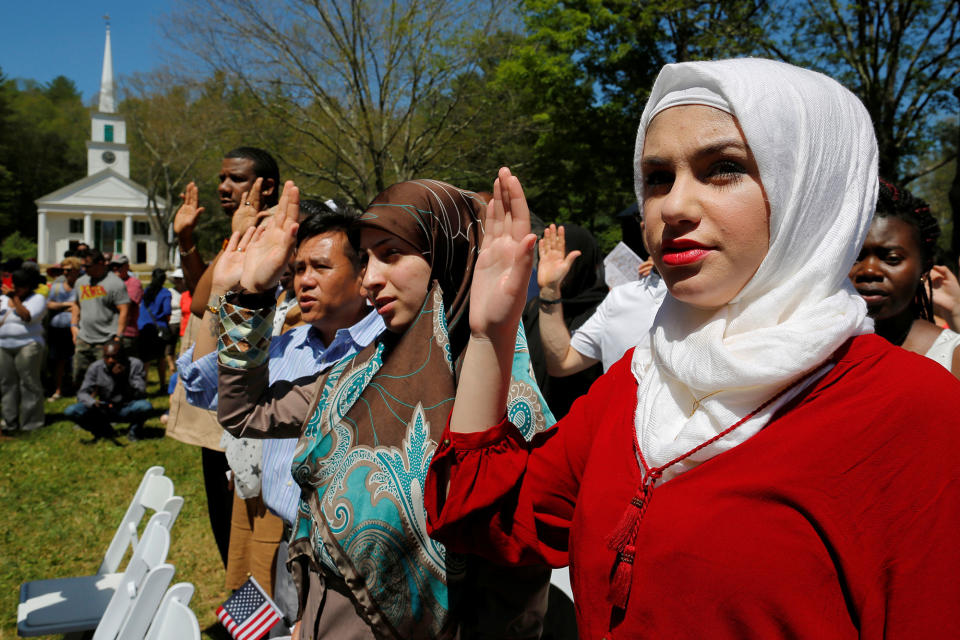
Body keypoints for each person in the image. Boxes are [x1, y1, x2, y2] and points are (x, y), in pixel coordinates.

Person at [424, 60, 960, 638]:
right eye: (657, 177)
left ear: (811, 188)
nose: (672, 207)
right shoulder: (639, 379)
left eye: (723, 169)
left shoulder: (914, 410)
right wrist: (490, 334)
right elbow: (487, 516)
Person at [216, 180, 555, 639]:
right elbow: (244, 412)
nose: (370, 277)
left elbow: (514, 592)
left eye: (391, 254)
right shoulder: (353, 374)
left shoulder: (504, 403)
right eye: (365, 258)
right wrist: (252, 294)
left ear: (445, 255)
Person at [178, 202, 384, 629]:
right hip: (278, 533)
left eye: (321, 267)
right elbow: (202, 388)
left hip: (352, 559)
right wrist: (221, 293)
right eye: (299, 267)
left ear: (364, 273)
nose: (304, 280)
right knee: (271, 625)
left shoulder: (387, 351)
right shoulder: (288, 346)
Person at [169, 146, 279, 569]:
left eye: (235, 178)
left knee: (248, 516)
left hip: (249, 395)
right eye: (221, 178)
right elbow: (205, 298)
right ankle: (243, 607)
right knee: (223, 507)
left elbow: (204, 302)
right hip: (218, 383)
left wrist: (239, 237)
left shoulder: (275, 232)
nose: (222, 187)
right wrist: (186, 241)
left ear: (266, 186)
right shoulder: (243, 229)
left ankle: (268, 622)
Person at [848, 180, 960, 377]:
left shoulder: (954, 357)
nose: (869, 270)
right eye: (855, 257)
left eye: (892, 259)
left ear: (924, 269)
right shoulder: (812, 349)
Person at [537, 222, 668, 376]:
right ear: (643, 226)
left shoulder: (702, 299)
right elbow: (563, 362)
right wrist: (550, 290)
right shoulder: (618, 298)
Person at [523, 223, 607, 417]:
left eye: (565, 255)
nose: (558, 265)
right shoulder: (536, 306)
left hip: (578, 425)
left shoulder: (604, 311)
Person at [65, 342, 150, 441]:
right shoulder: (96, 367)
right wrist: (93, 403)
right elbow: (82, 393)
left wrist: (123, 378)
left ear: (123, 355)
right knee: (71, 411)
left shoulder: (135, 364)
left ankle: (133, 432)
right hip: (105, 408)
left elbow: (141, 390)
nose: (111, 360)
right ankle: (102, 431)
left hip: (127, 406)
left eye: (115, 357)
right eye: (107, 357)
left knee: (145, 406)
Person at [71, 249, 131, 390]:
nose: (84, 269)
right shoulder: (81, 282)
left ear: (100, 263)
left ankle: (106, 405)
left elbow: (124, 310)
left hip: (106, 339)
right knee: (79, 375)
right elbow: (76, 304)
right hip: (84, 338)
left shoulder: (115, 283)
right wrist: (73, 325)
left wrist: (118, 336)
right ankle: (84, 402)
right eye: (83, 266)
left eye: (87, 266)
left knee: (106, 379)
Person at [0, 269, 47, 433]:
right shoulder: (2, 299)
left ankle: (31, 423)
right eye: (14, 286)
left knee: (29, 383)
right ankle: (9, 421)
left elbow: (27, 317)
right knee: (7, 384)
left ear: (29, 287)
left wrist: (15, 298)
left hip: (28, 344)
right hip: (3, 345)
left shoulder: (38, 299)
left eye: (20, 287)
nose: (16, 288)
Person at [46, 256, 83, 399]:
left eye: (68, 270)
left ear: (76, 270)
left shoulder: (82, 286)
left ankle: (78, 389)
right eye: (63, 270)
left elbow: (82, 307)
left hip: (76, 328)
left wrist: (66, 307)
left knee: (77, 360)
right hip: (57, 328)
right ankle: (58, 389)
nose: (65, 273)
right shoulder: (56, 287)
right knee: (59, 360)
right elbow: (49, 304)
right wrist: (69, 305)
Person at [138, 268, 173, 389]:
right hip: (158, 328)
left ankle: (143, 385)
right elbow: (167, 312)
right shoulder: (166, 293)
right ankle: (163, 384)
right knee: (160, 358)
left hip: (143, 327)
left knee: (145, 359)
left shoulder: (146, 291)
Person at [111, 254, 143, 354]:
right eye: (113, 266)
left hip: (127, 333)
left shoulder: (134, 283)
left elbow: (126, 304)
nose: (116, 269)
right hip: (109, 331)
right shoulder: (108, 282)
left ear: (127, 267)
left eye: (119, 266)